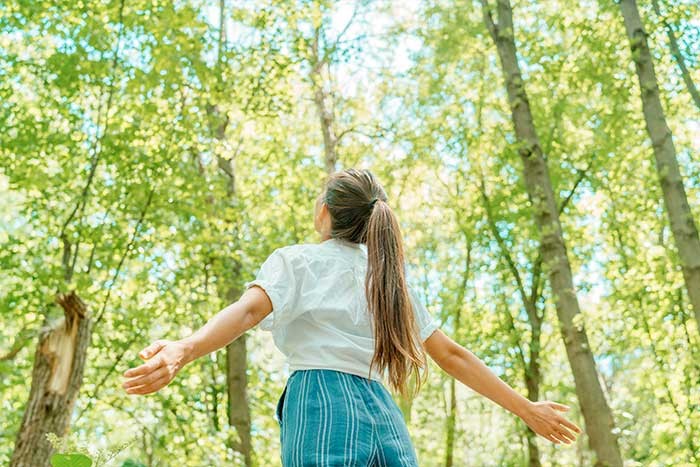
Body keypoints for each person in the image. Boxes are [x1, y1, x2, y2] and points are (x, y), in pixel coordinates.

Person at [122, 168, 582, 466]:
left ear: (324, 212)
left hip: (321, 399)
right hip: (382, 411)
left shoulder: (299, 260)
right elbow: (452, 355)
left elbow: (245, 313)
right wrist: (527, 408)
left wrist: (185, 347)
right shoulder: (390, 280)